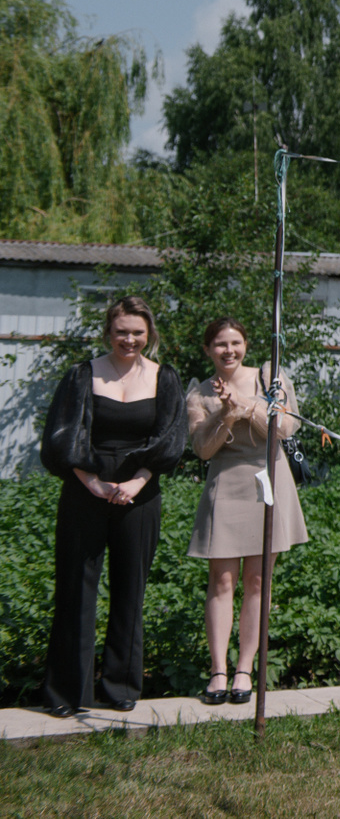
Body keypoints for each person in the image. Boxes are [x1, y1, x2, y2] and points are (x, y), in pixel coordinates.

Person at [37, 296, 188, 717]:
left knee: (130, 590)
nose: (129, 340)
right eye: (122, 331)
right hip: (84, 490)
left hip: (140, 493)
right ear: (108, 331)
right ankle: (67, 692)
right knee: (74, 589)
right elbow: (60, 437)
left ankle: (120, 686)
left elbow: (172, 439)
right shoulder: (81, 375)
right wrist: (93, 482)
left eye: (138, 332)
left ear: (149, 334)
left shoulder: (164, 378)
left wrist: (137, 481)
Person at [185, 317, 309, 706]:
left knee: (258, 581)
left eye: (235, 343)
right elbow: (202, 449)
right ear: (208, 350)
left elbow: (285, 428)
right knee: (222, 581)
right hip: (225, 485)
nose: (229, 350)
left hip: (267, 481)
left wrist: (246, 406)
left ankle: (245, 668)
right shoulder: (199, 393)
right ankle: (218, 670)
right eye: (220, 344)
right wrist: (225, 413)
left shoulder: (269, 377)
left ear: (245, 345)